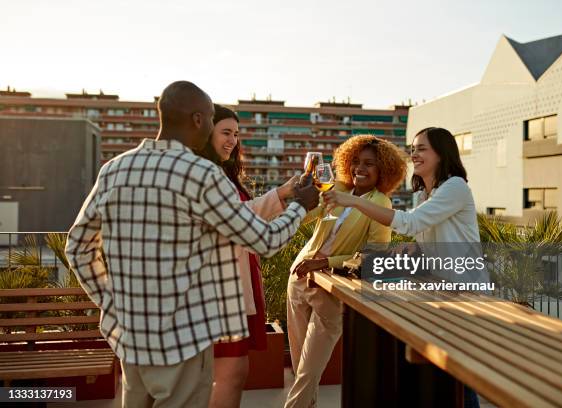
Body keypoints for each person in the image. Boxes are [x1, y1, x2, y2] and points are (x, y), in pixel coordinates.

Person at [65, 81, 320, 408]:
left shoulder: (114, 169)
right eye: (213, 119)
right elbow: (265, 240)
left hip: (129, 334)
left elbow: (77, 247)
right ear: (198, 119)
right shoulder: (201, 174)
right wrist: (301, 205)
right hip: (182, 338)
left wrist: (111, 302)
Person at [323, 127, 482, 408]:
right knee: (440, 366)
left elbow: (409, 224)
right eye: (413, 148)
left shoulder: (455, 187)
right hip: (438, 289)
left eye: (422, 148)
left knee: (457, 369)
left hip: (464, 290)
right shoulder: (425, 196)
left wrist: (353, 201)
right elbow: (425, 240)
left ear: (442, 154)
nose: (414, 154)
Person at [285, 135, 408, 408]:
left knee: (307, 372)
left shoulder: (381, 204)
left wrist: (326, 262)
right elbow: (306, 216)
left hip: (330, 289)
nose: (359, 168)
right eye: (355, 161)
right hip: (298, 278)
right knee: (300, 370)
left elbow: (374, 256)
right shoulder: (338, 187)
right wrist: (303, 196)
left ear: (383, 170)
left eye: (369, 164)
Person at [196, 104, 299, 408]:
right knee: (231, 372)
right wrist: (285, 197)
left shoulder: (220, 173)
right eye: (226, 132)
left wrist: (282, 194)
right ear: (205, 133)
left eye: (236, 134)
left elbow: (242, 217)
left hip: (232, 280)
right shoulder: (206, 175)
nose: (232, 140)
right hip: (219, 287)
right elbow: (240, 220)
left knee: (231, 373)